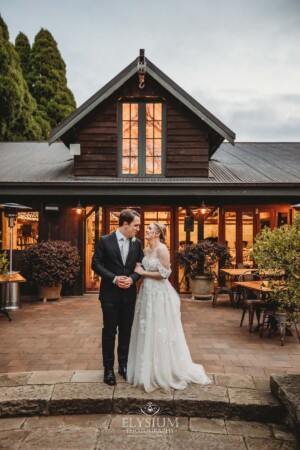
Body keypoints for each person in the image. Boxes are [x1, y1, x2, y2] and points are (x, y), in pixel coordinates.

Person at [127, 222, 211, 392]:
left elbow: (165, 274)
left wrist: (144, 273)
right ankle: (147, 369)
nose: (147, 231)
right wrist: (139, 268)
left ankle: (164, 370)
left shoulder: (162, 249)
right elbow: (145, 266)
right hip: (146, 292)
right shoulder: (145, 250)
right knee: (146, 327)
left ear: (157, 233)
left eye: (150, 229)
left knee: (159, 327)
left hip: (159, 293)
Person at [92, 209, 144, 386]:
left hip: (129, 295)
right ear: (125, 224)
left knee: (126, 332)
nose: (138, 228)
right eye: (136, 225)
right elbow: (95, 264)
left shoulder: (137, 243)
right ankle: (108, 369)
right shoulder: (105, 240)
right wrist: (114, 278)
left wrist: (132, 279)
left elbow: (140, 266)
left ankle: (123, 365)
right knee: (109, 332)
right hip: (109, 295)